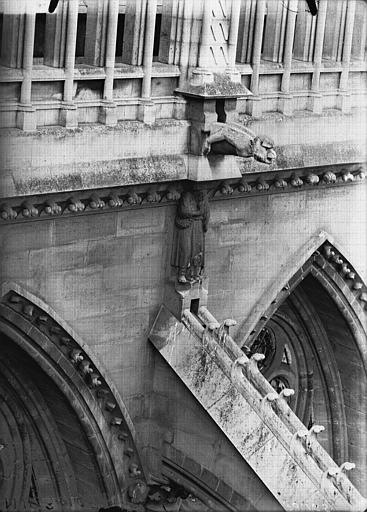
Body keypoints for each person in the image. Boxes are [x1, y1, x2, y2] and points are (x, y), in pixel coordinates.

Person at [171, 188, 209, 284]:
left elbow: (205, 212)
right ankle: (182, 272)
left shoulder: (202, 196)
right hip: (187, 225)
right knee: (186, 249)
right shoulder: (187, 195)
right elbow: (184, 211)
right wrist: (198, 213)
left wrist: (204, 222)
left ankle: (195, 272)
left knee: (197, 249)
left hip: (198, 225)